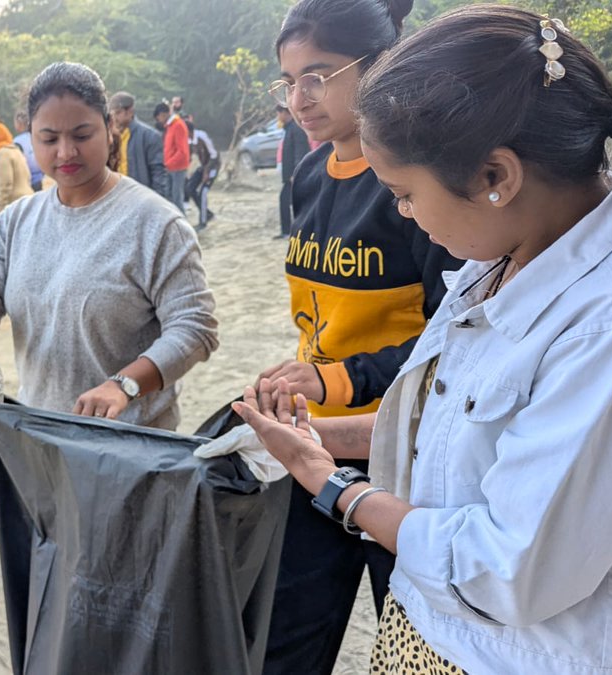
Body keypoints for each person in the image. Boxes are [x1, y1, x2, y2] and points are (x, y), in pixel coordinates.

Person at [226, 5, 612, 673]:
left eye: (403, 194)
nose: (401, 213)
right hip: (433, 630)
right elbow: (449, 427)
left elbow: (505, 571)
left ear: (495, 177)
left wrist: (333, 485)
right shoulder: (496, 261)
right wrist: (323, 436)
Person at [196, 1, 462, 672]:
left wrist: (336, 379)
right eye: (287, 81)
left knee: (413, 640)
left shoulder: (419, 186)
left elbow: (458, 342)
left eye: (318, 76)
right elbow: (321, 321)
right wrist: (300, 373)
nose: (298, 99)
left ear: (377, 68)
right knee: (282, 641)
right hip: (307, 444)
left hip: (400, 453)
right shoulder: (311, 174)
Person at [0, 61, 219, 431]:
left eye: (81, 135)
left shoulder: (155, 223)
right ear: (30, 137)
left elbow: (194, 327)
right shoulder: (17, 222)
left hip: (131, 448)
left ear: (109, 129)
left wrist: (124, 385)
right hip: (41, 439)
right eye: (49, 139)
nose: (65, 152)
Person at [108, 92, 170, 200]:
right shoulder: (108, 137)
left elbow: (158, 173)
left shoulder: (150, 136)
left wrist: (156, 201)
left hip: (140, 197)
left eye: (118, 113)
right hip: (116, 197)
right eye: (112, 114)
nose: (114, 118)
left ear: (130, 111)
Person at [0, 122, 33, 230]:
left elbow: (5, 183)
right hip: (26, 199)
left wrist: (2, 209)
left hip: (13, 204)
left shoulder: (2, 154)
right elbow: (28, 175)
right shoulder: (16, 150)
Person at [277, 105, 314, 239]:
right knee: (286, 201)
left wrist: (296, 173)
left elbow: (300, 151)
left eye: (279, 113)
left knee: (296, 202)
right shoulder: (288, 129)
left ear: (286, 113)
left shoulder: (296, 129)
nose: (278, 117)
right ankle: (287, 231)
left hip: (295, 176)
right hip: (289, 176)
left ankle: (297, 231)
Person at [155, 102, 190, 213]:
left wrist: (168, 163)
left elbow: (182, 151)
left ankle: (183, 227)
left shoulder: (178, 125)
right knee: (169, 198)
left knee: (177, 199)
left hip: (178, 168)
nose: (158, 121)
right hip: (170, 167)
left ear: (163, 114)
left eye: (158, 118)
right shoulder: (170, 126)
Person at [186, 121, 220, 230]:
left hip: (212, 165)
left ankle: (203, 222)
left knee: (203, 192)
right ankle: (207, 213)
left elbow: (214, 155)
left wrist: (207, 172)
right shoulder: (188, 140)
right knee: (190, 188)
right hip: (203, 165)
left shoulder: (202, 136)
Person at [11, 111, 44, 192]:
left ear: (19, 124)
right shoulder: (38, 137)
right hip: (42, 180)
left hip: (26, 184)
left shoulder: (16, 142)